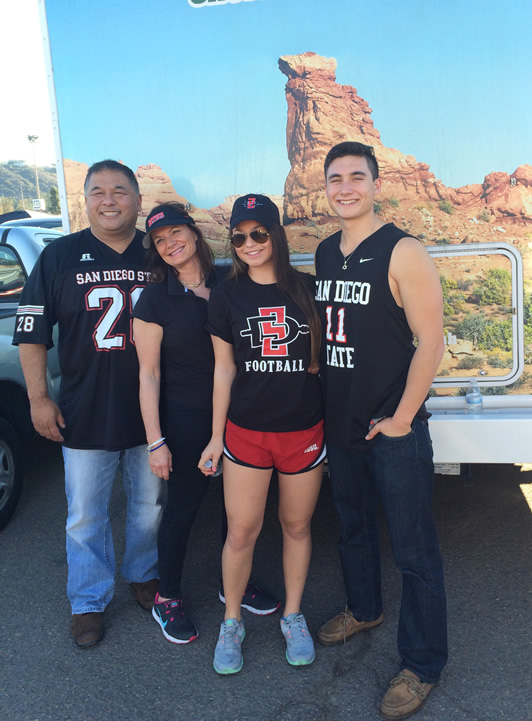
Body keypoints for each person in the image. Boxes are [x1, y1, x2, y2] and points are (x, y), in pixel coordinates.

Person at [314, 142, 447, 721]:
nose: (346, 187)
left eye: (356, 177)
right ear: (326, 186)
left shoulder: (402, 250)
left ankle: (422, 664)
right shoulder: (324, 251)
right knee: (353, 529)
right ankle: (364, 607)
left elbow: (432, 340)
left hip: (391, 426)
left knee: (415, 550)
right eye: (336, 178)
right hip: (342, 424)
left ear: (375, 183)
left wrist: (400, 419)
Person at [13, 160, 164, 648]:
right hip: (84, 407)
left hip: (151, 411)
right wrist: (38, 398)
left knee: (149, 504)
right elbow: (32, 332)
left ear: (139, 200)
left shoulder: (161, 252)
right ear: (85, 200)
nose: (109, 199)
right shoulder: (59, 257)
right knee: (84, 513)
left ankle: (143, 574)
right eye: (97, 190)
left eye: (120, 190)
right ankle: (88, 600)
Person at [133, 202, 279, 645]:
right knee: (184, 506)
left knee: (239, 510)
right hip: (186, 419)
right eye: (159, 241)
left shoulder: (230, 280)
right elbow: (148, 374)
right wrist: (156, 441)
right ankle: (168, 597)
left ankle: (231, 583)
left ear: (194, 235)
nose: (169, 244)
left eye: (175, 233)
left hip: (244, 413)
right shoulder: (155, 298)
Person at [198, 194, 325, 675]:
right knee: (241, 531)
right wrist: (215, 438)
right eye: (239, 236)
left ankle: (293, 615)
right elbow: (223, 371)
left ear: (276, 234)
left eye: (259, 233)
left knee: (296, 526)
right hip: (246, 433)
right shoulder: (227, 296)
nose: (249, 243)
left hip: (303, 431)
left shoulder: (308, 289)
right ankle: (232, 622)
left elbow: (319, 364)